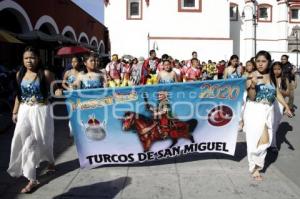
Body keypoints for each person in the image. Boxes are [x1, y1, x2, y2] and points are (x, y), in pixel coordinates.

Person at [7, 47, 59, 193]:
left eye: (32, 58)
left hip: (42, 110)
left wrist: (57, 91)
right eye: (26, 58)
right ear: (23, 60)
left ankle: (50, 161)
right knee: (27, 142)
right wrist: (15, 111)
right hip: (24, 111)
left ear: (38, 59)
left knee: (44, 139)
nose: (29, 61)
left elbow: (54, 89)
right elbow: (19, 95)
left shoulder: (46, 74)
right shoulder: (19, 74)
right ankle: (32, 179)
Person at [244, 51, 293, 181]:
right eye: (258, 61)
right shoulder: (251, 75)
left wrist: (287, 107)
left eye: (263, 61)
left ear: (269, 62)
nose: (260, 64)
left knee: (267, 140)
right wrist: (253, 85)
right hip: (255, 109)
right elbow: (252, 96)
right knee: (255, 139)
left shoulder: (271, 76)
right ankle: (254, 168)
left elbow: (276, 93)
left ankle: (258, 163)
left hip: (268, 109)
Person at [270, 61, 290, 150]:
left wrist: (278, 91)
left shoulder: (285, 79)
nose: (276, 71)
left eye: (278, 69)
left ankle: (271, 142)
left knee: (275, 125)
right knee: (271, 123)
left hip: (280, 104)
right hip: (270, 103)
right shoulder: (269, 78)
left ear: (282, 70)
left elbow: (288, 93)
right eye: (274, 69)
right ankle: (272, 145)